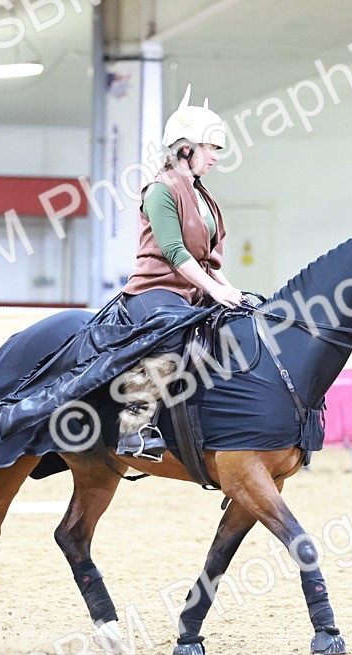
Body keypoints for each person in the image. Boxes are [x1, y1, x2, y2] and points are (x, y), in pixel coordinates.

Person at [115, 86, 243, 460]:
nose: (216, 157)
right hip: (156, 290)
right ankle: (134, 428)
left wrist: (232, 292)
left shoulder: (205, 197)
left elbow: (211, 260)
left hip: (195, 289)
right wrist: (214, 291)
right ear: (185, 148)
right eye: (211, 148)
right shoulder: (160, 190)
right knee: (170, 334)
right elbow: (174, 252)